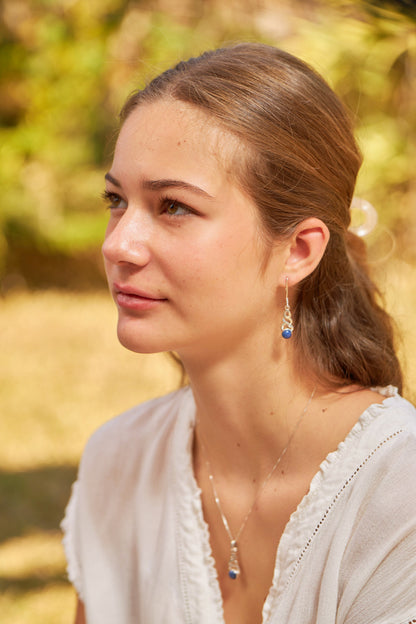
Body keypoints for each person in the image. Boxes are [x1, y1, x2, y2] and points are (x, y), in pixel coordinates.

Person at [61, 43, 416, 624]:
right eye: (116, 200)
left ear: (298, 250)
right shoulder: (118, 461)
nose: (117, 244)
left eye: (172, 206)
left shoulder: (398, 495)